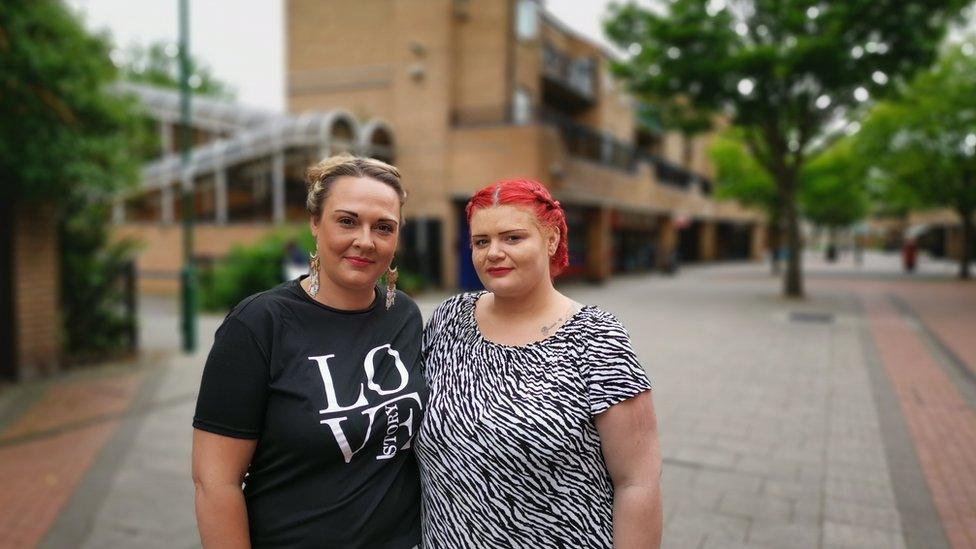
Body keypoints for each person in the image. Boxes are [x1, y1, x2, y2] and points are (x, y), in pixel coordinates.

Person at [191, 155, 426, 548]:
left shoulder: (402, 314)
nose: (365, 241)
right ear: (315, 223)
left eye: (384, 227)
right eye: (347, 221)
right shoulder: (258, 324)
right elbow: (215, 481)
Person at [416, 179, 662, 548]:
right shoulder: (448, 319)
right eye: (481, 241)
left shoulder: (596, 337)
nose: (493, 252)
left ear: (551, 240)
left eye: (512, 238)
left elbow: (638, 481)